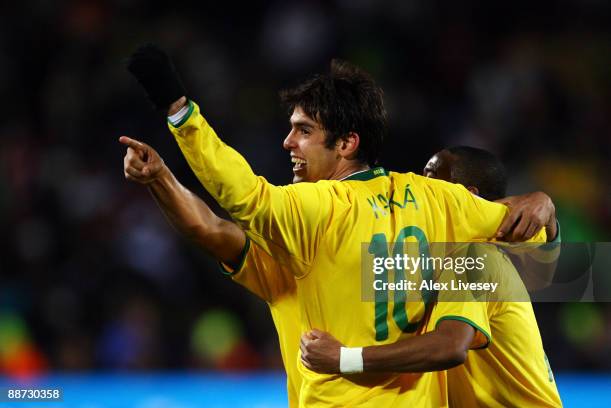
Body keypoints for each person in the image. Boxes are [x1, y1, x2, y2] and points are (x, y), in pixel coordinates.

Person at [124, 44, 552, 406]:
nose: (288, 142)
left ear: (347, 142)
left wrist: (181, 114)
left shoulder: (312, 213)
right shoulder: (440, 201)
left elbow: (242, 195)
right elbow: (537, 237)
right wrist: (543, 205)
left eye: (303, 131)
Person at [299, 146, 562, 407]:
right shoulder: (439, 261)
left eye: (431, 177)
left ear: (466, 196)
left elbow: (450, 346)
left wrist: (343, 359)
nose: (416, 186)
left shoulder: (474, 256)